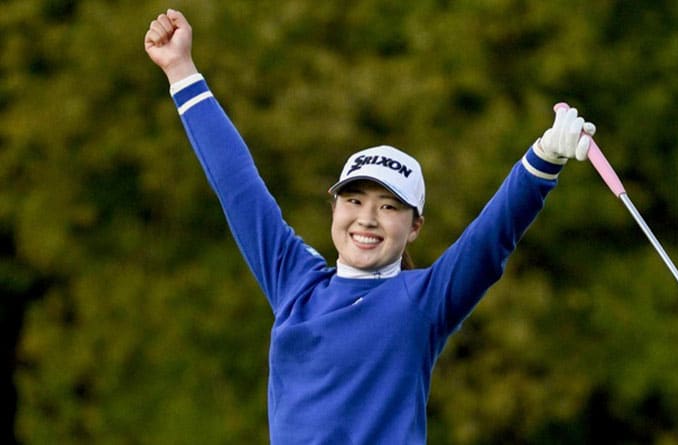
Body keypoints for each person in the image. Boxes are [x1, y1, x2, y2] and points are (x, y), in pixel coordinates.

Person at [145, 9, 596, 444]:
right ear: (335, 208)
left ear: (414, 227)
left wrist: (543, 159)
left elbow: (491, 236)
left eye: (388, 207)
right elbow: (238, 186)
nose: (366, 218)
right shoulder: (294, 283)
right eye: (354, 200)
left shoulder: (423, 301)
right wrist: (181, 70)